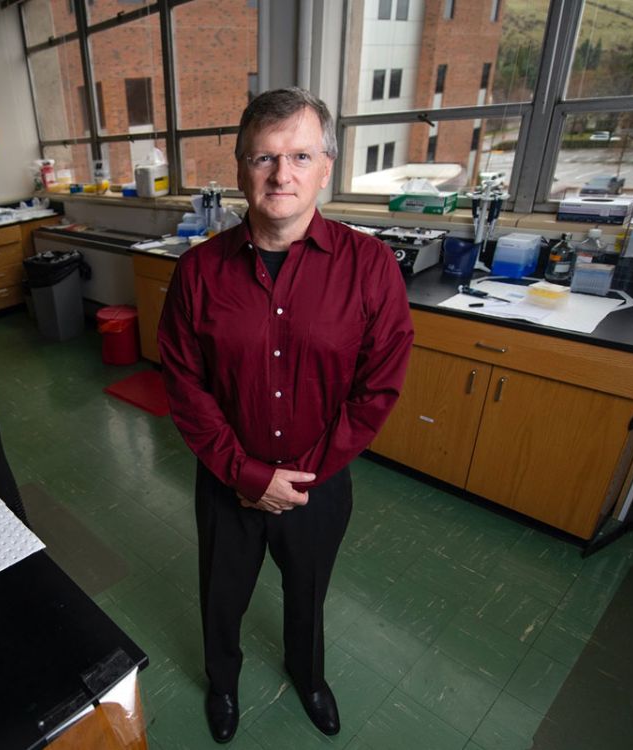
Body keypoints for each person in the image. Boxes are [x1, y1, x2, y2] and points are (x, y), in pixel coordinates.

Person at [157, 87, 413, 743]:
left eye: (300, 155)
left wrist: (302, 475)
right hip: (225, 484)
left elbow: (378, 386)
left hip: (319, 487)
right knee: (223, 597)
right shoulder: (198, 273)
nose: (282, 174)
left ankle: (310, 677)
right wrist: (246, 475)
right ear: (241, 168)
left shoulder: (371, 267)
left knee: (308, 594)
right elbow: (185, 385)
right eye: (265, 157)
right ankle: (223, 683)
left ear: (326, 165)